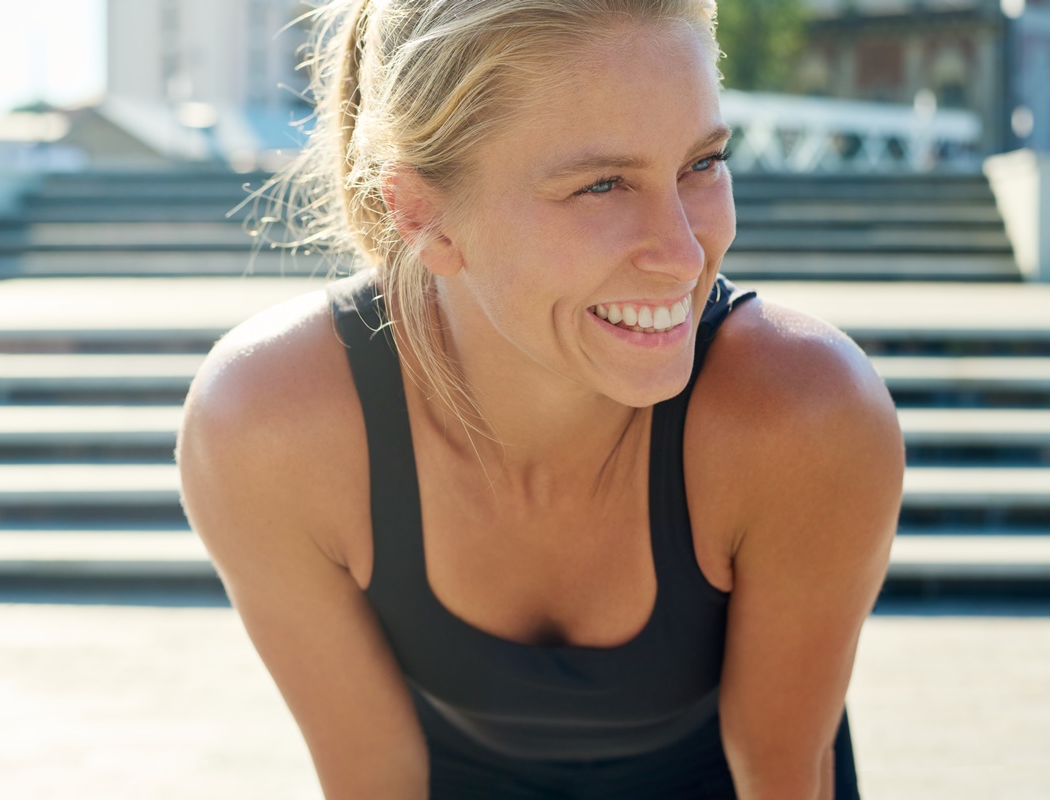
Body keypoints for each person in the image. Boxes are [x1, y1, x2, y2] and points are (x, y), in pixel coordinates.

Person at [177, 0, 905, 797]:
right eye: (601, 185)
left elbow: (783, 773)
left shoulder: (805, 413)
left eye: (701, 164)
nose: (683, 252)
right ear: (421, 213)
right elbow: (374, 778)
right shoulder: (268, 427)